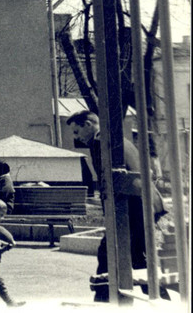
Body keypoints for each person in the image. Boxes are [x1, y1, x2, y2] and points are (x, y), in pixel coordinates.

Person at [66, 110, 167, 300]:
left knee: (110, 253)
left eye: (77, 131)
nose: (76, 137)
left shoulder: (100, 143)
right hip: (142, 203)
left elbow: (108, 182)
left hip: (132, 207)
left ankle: (105, 300)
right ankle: (158, 298)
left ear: (88, 125)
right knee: (138, 257)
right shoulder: (117, 139)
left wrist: (111, 215)